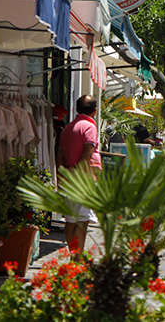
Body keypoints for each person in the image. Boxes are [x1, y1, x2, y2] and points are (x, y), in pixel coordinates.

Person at [57, 95, 101, 252]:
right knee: (82, 221)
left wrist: (62, 175)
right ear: (95, 111)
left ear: (76, 109)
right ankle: (77, 259)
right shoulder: (89, 127)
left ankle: (73, 256)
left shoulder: (68, 129)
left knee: (70, 220)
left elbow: (60, 155)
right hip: (83, 179)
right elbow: (88, 153)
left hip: (69, 179)